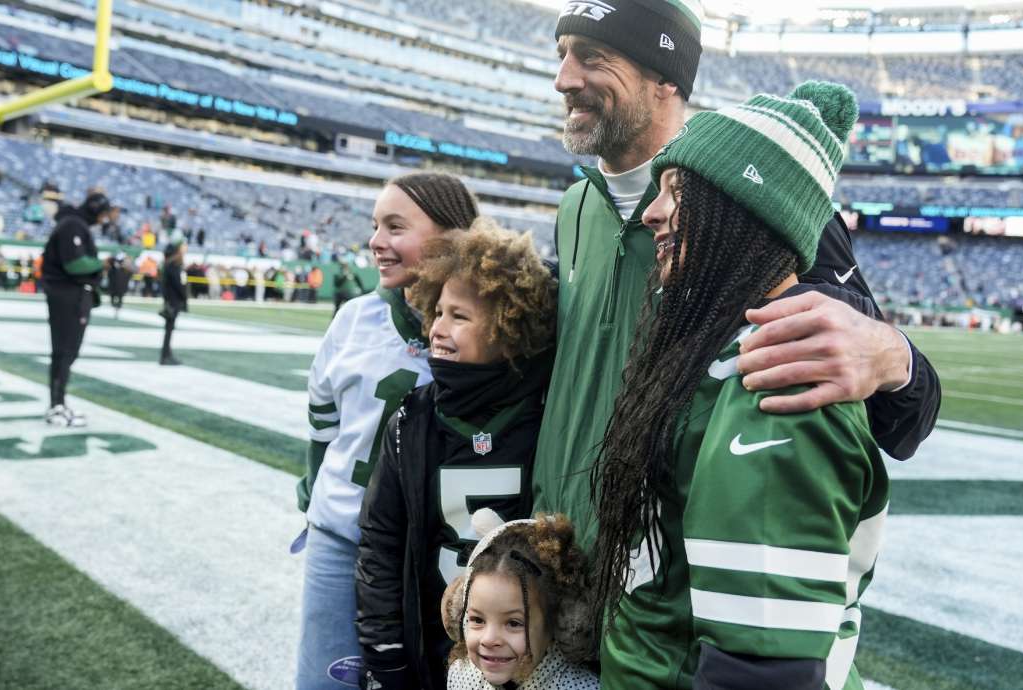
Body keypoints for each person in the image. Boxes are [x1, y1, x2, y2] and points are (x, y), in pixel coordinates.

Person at [535, 0, 940, 550]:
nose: (563, 79)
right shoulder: (575, 206)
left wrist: (895, 358)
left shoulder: (761, 213)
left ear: (664, 78)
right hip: (551, 551)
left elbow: (903, 417)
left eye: (592, 57)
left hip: (658, 588)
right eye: (562, 55)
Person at [589, 85, 888, 690]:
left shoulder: (779, 383)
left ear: (741, 209)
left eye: (679, 193)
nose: (652, 212)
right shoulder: (721, 348)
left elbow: (759, 668)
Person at [296, 173, 480, 690]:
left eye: (396, 226)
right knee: (325, 681)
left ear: (452, 236)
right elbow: (322, 421)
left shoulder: (484, 328)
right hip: (343, 535)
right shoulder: (354, 319)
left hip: (431, 549)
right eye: (376, 225)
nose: (377, 240)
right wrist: (314, 491)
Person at [355, 221, 556, 690]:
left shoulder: (544, 412)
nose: (438, 329)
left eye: (459, 317)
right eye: (437, 312)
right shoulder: (414, 418)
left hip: (523, 658)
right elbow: (381, 542)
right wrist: (384, 649)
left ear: (511, 327)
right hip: (431, 649)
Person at [440, 512, 598, 690]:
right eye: (477, 620)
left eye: (514, 623)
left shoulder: (583, 687)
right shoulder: (461, 676)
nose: (489, 639)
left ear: (559, 623)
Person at [41, 191, 114, 427]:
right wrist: (102, 263)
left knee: (65, 351)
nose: (105, 219)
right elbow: (75, 264)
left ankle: (58, 404)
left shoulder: (73, 223)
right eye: (103, 214)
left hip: (69, 295)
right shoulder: (73, 225)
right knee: (65, 350)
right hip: (69, 295)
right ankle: (57, 406)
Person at [159, 242, 188, 365]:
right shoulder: (173, 266)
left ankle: (167, 354)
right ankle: (165, 355)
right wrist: (184, 297)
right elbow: (179, 285)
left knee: (169, 329)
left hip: (170, 300)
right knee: (169, 329)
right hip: (174, 301)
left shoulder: (167, 265)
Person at [106, 253, 131, 318]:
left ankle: (118, 307)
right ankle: (114, 306)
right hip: (114, 285)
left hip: (121, 285)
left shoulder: (125, 269)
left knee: (120, 297)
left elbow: (129, 274)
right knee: (113, 297)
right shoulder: (113, 268)